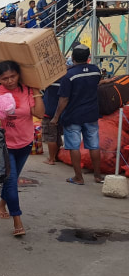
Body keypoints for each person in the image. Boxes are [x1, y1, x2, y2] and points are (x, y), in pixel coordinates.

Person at [0, 60, 45, 237]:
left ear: (19, 75)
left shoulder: (27, 90)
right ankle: (17, 220)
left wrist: (36, 91)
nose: (9, 81)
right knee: (11, 180)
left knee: (11, 179)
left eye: (13, 76)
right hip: (3, 145)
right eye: (4, 78)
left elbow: (38, 114)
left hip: (24, 142)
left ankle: (2, 203)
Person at [51, 44, 103, 184]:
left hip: (73, 116)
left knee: (74, 146)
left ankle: (78, 177)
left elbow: (63, 99)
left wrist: (56, 117)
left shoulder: (69, 76)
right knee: (94, 145)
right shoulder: (96, 71)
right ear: (88, 57)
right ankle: (98, 176)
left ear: (72, 57)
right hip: (91, 114)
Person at [42, 80, 63, 165]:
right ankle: (56, 156)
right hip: (60, 112)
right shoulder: (65, 80)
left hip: (49, 112)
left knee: (51, 136)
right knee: (57, 136)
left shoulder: (50, 80)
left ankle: (51, 159)